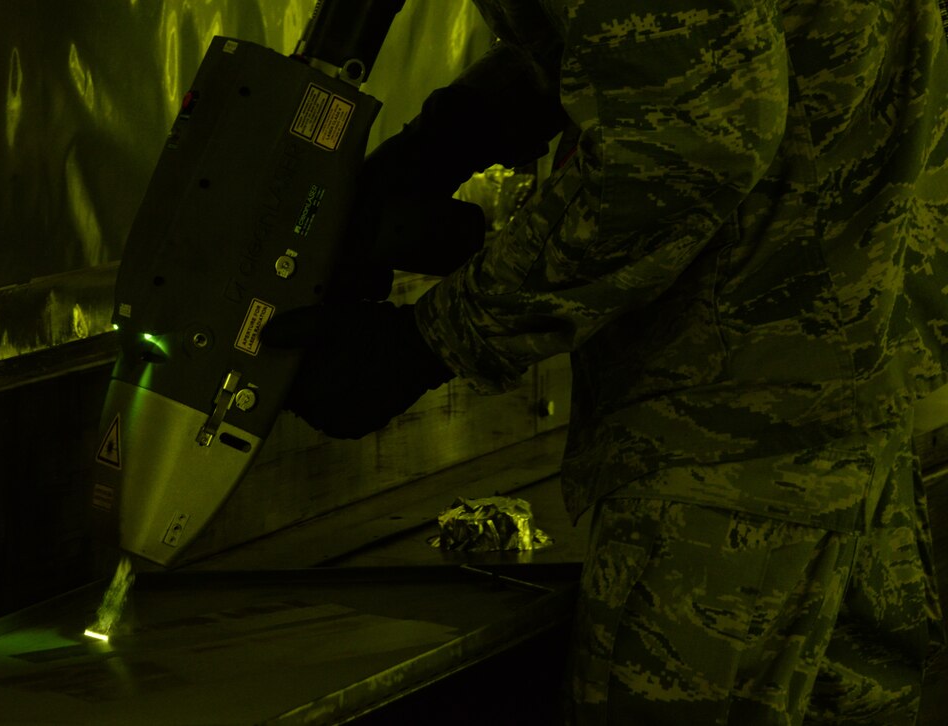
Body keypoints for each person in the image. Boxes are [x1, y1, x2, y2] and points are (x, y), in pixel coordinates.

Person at [261, 0, 948, 722]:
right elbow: (683, 42)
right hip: (841, 416)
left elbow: (685, 143)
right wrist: (454, 132)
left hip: (726, 471)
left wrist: (427, 342)